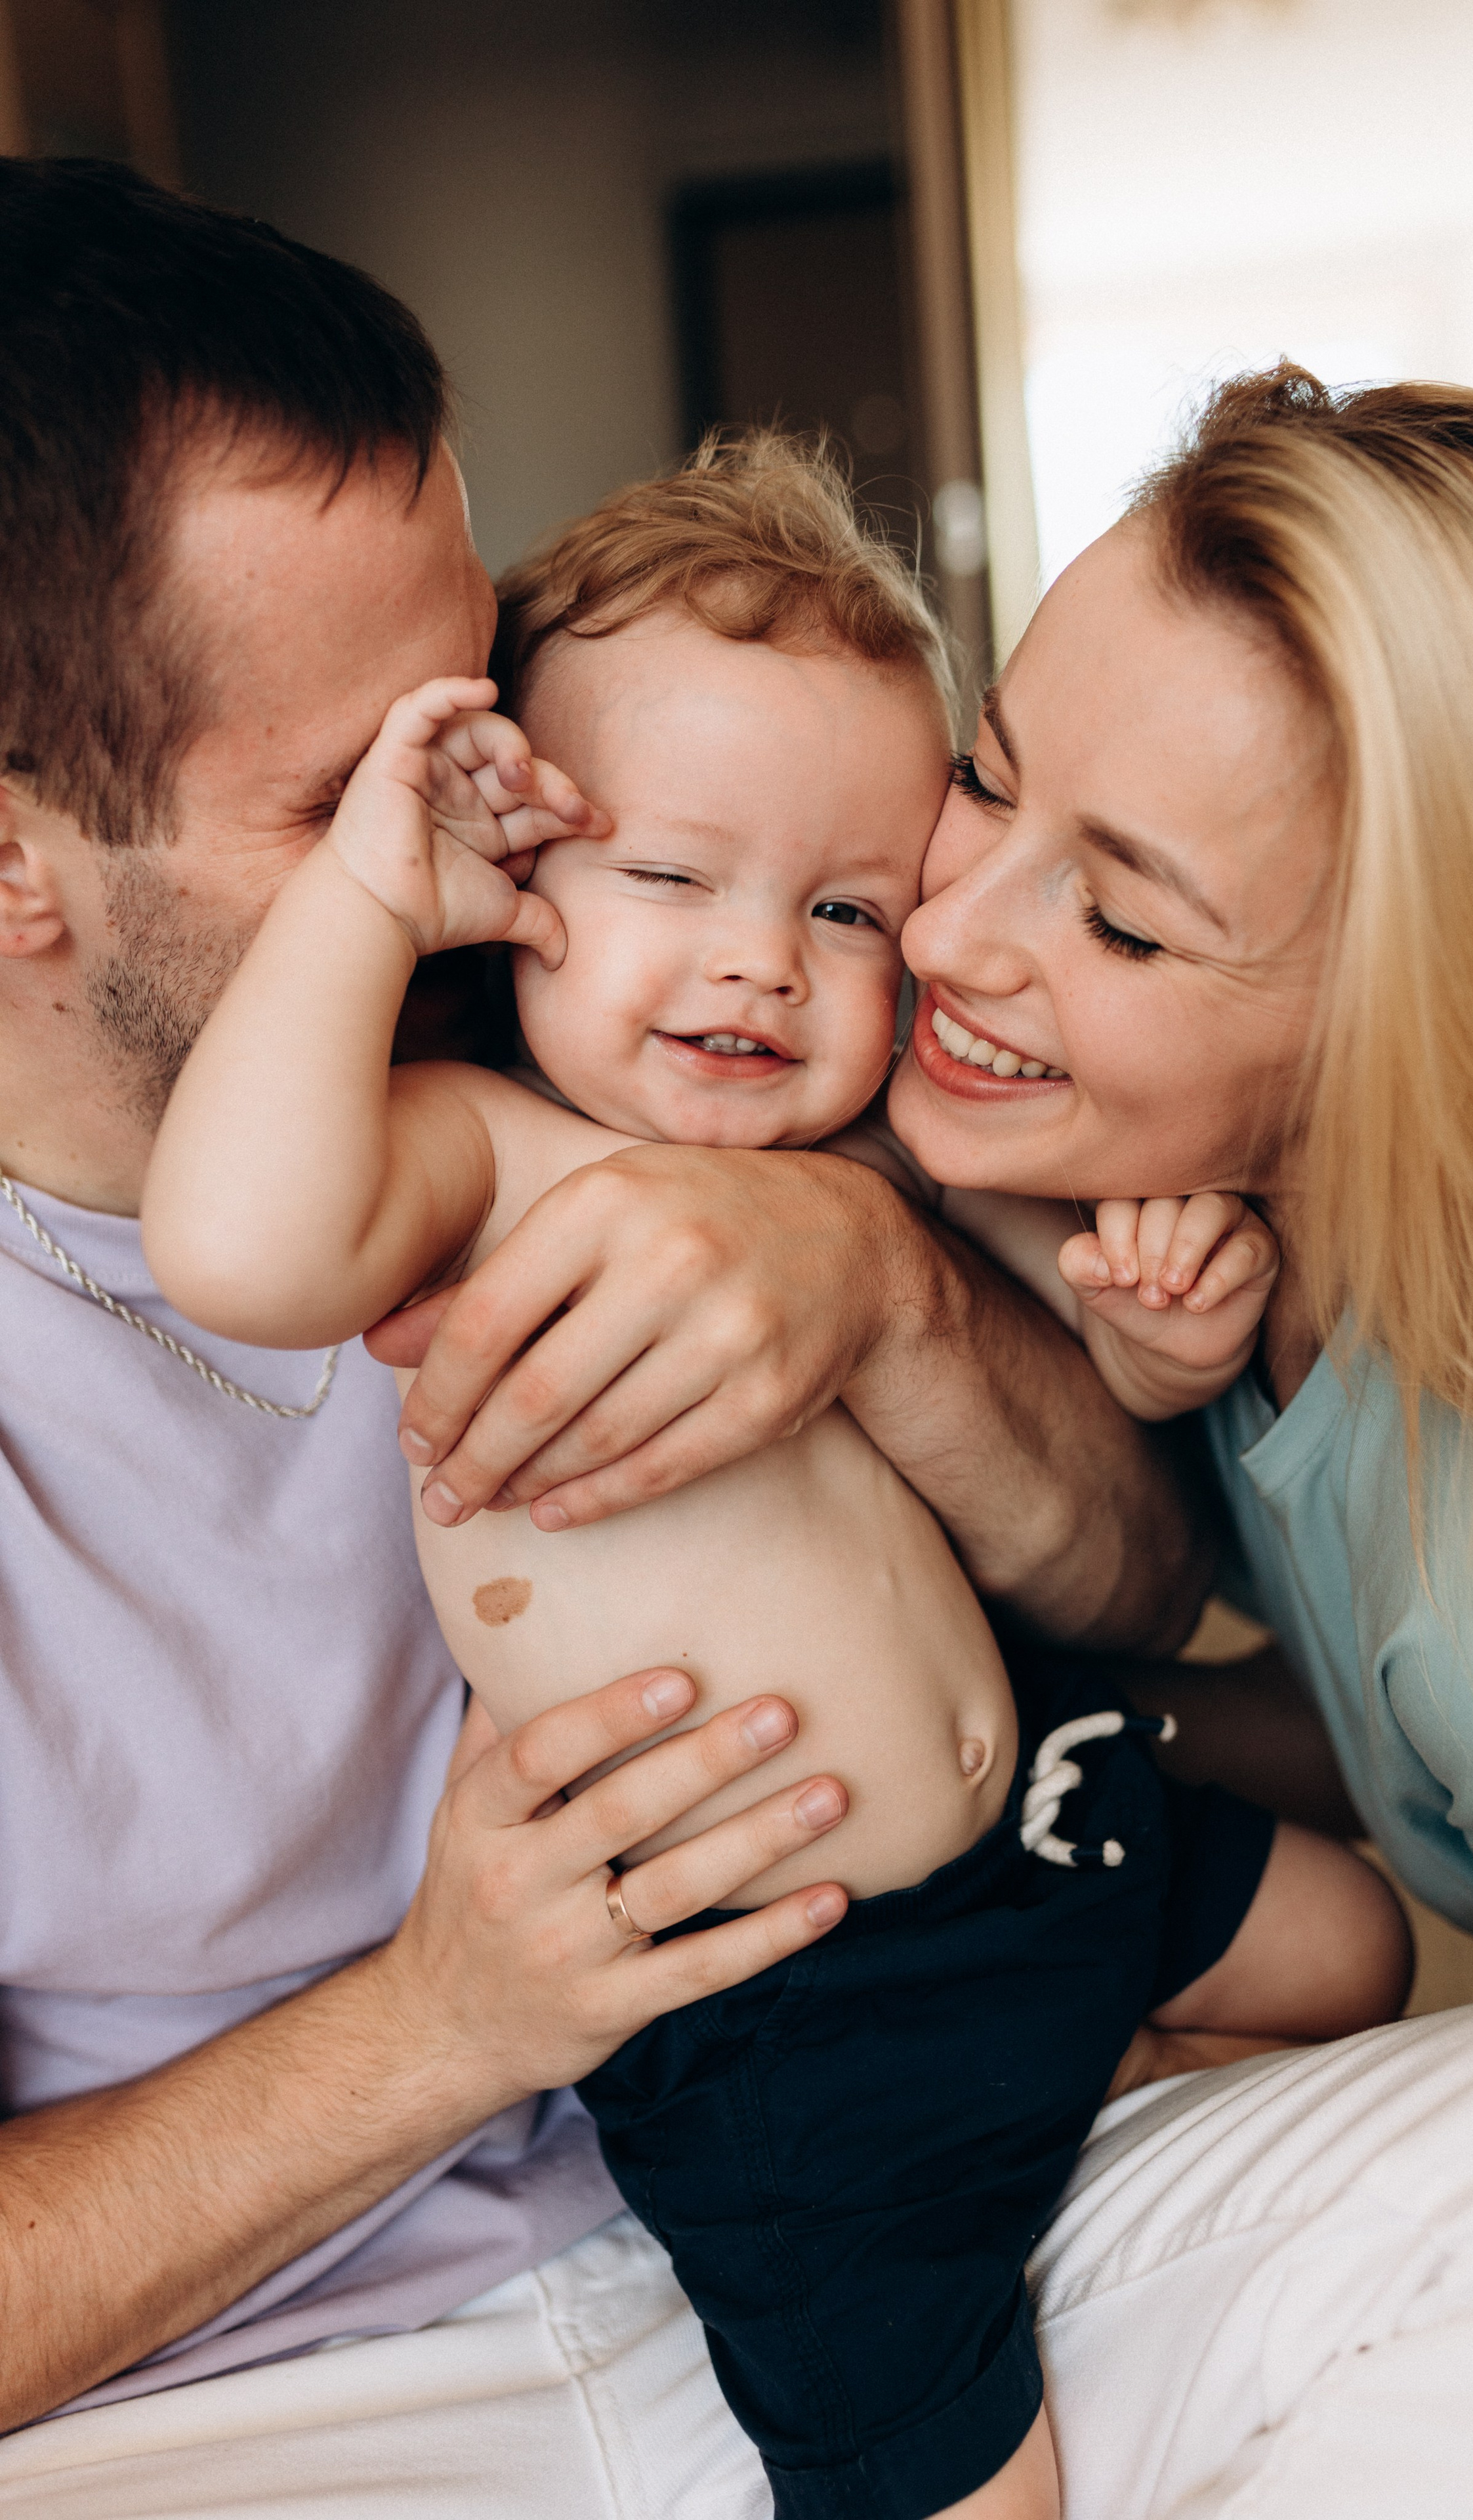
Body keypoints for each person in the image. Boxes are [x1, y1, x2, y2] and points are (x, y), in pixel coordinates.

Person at [0, 155, 1213, 2473]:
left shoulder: (607, 1049)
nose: (512, 827)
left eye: (482, 710)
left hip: (840, 2132)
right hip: (246, 2395)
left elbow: (1147, 1591)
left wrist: (875, 1297)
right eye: (359, 788)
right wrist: (443, 2026)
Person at [142, 433, 1403, 2520]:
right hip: (792, 1995)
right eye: (670, 878)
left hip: (1051, 1821)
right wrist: (371, 897)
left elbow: (1092, 1361)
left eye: (845, 907)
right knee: (967, 2485)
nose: (763, 963)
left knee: (1352, 1951)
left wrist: (1165, 1326)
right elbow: (243, 1247)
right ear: (511, 880)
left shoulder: (876, 1162)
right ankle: (1012, 2163)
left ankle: (1087, 2086)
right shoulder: (472, 1151)